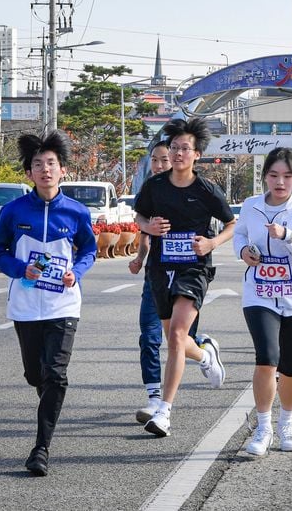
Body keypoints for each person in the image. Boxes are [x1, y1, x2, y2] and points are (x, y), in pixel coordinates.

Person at [0, 130, 97, 477]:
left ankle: (40, 449)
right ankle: (48, 402)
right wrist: (22, 269)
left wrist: (76, 273)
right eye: (38, 164)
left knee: (56, 375)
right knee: (35, 374)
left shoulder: (77, 212)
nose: (45, 170)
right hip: (24, 303)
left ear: (63, 170)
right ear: (29, 173)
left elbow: (90, 250)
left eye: (51, 163)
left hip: (63, 305)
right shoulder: (13, 211)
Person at [135, 117, 235, 438]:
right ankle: (206, 355)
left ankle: (164, 411)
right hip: (160, 268)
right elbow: (139, 215)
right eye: (175, 147)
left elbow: (232, 223)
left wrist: (211, 242)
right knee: (176, 339)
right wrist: (147, 228)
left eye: (185, 149)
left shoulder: (206, 190)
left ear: (197, 155)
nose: (178, 153)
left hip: (194, 268)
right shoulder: (155, 185)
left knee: (177, 335)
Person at [234, 147, 292, 456]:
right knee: (266, 358)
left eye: (287, 176)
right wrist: (245, 252)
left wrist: (288, 236)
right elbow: (240, 237)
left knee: (290, 366)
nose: (280, 182)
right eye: (273, 175)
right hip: (259, 293)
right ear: (265, 177)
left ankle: (286, 423)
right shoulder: (251, 206)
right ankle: (263, 427)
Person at [128, 141, 200, 424]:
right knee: (149, 335)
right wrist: (140, 258)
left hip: (186, 276)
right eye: (155, 160)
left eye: (163, 159)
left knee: (182, 338)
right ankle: (155, 398)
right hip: (156, 275)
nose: (159, 165)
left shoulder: (192, 190)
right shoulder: (151, 189)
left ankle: (206, 355)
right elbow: (144, 226)